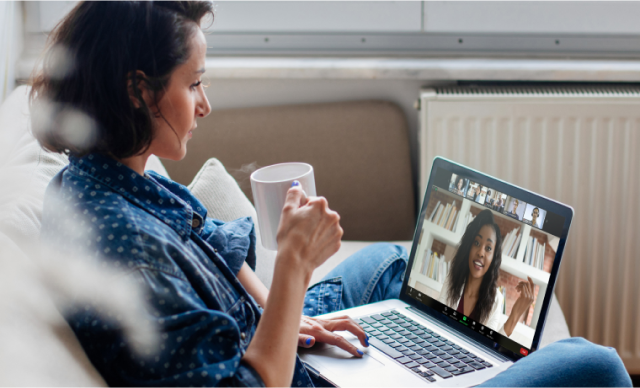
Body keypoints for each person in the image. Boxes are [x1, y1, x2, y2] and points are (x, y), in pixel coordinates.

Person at [32, 1, 631, 387]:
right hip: (284, 375)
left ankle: (452, 366)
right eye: (192, 85)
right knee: (598, 366)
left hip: (272, 339)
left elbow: (212, 248)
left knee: (397, 262)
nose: (205, 104)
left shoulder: (115, 175)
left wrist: (287, 317)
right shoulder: (123, 242)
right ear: (139, 91)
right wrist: (293, 264)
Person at [438, 210, 534, 337]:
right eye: (476, 243)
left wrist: (515, 315)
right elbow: (437, 322)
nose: (481, 253)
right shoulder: (452, 280)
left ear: (493, 258)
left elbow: (489, 347)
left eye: (488, 248)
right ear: (469, 247)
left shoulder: (496, 300)